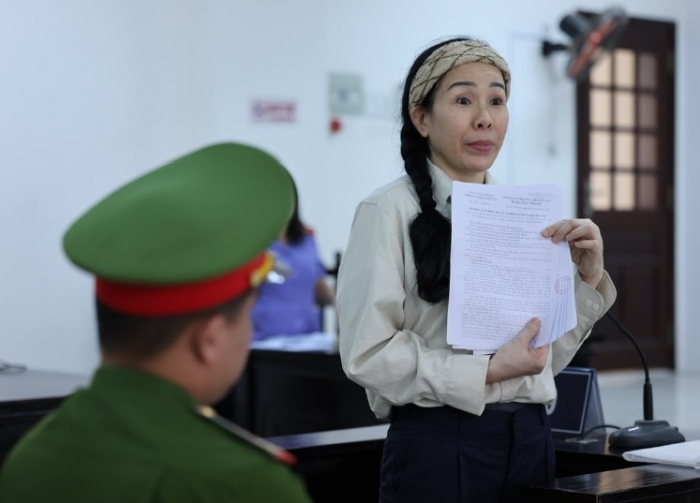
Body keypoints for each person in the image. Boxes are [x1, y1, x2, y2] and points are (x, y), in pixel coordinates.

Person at [336, 37, 617, 503]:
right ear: (421, 118)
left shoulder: (521, 216)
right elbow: (366, 354)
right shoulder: (387, 210)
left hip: (531, 439)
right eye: (463, 100)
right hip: (439, 444)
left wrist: (587, 280)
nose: (484, 118)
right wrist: (484, 371)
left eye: (497, 101)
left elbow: (540, 359)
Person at [0, 143, 313, 503]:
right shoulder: (243, 483)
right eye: (246, 318)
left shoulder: (30, 458)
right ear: (209, 339)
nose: (247, 332)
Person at [251, 180, 335, 340]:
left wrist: (336, 301)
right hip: (264, 341)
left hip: (308, 340)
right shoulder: (252, 242)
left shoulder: (306, 238)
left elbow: (317, 284)